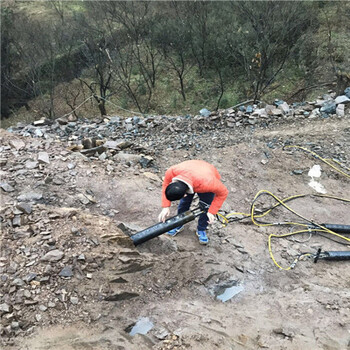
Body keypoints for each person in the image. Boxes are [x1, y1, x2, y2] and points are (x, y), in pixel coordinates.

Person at [158, 160, 229, 245]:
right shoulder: (172, 172)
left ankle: (201, 229)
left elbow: (223, 193)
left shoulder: (209, 183)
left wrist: (211, 211)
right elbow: (166, 184)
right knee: (184, 203)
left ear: (185, 194)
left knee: (206, 206)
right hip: (191, 171)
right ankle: (179, 223)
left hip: (205, 175)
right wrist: (165, 206)